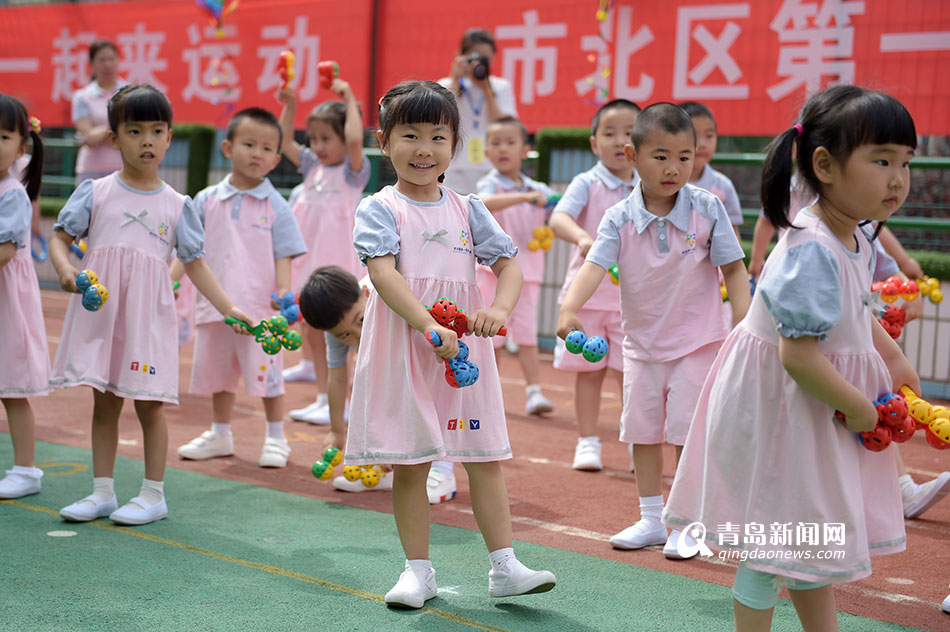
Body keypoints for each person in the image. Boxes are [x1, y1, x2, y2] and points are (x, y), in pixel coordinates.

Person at [663, 86, 920, 631]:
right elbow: (799, 356)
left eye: (904, 162)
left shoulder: (856, 235)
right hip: (785, 409)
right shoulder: (811, 249)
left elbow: (852, 309)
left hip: (808, 407)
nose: (897, 178)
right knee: (772, 544)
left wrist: (891, 355)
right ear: (824, 165)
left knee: (805, 539)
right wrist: (858, 407)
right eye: (881, 160)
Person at [347, 80, 555, 609]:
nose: (424, 149)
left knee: (483, 458)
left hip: (463, 354)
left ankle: (505, 566)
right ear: (383, 140)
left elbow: (509, 266)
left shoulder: (468, 208)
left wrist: (498, 310)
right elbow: (385, 275)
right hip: (406, 346)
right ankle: (419, 572)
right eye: (410, 135)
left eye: (438, 137)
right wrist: (426, 324)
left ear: (455, 144)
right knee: (413, 463)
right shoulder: (379, 207)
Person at [48, 84, 253, 526]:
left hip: (147, 321)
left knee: (149, 404)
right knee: (104, 401)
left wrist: (228, 307)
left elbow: (195, 265)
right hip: (103, 315)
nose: (146, 141)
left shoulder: (178, 205)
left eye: (156, 131)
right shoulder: (96, 191)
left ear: (169, 136)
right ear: (114, 138)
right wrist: (66, 271)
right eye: (134, 130)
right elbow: (59, 240)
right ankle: (102, 491)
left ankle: (153, 495)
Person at [557, 103, 750, 556]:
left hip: (698, 344)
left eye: (685, 157)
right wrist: (569, 309)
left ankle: (687, 522)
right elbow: (593, 266)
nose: (674, 167)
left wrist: (742, 323)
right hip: (641, 347)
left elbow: (735, 270)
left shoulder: (708, 207)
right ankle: (651, 518)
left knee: (684, 433)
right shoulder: (618, 217)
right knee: (642, 433)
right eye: (661, 155)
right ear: (633, 155)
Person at [175, 108, 307, 468]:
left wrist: (283, 294)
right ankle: (220, 433)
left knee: (268, 375)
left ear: (277, 159)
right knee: (220, 375)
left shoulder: (276, 204)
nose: (257, 153)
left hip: (259, 309)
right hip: (215, 305)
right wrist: (172, 279)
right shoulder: (205, 200)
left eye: (267, 148)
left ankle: (277, 437)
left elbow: (284, 254)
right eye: (249, 144)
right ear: (228, 147)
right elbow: (188, 251)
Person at [549, 99, 640, 472]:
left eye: (630, 133)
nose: (620, 141)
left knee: (631, 376)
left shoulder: (649, 186)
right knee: (589, 374)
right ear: (593, 143)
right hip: (585, 298)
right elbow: (559, 218)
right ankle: (588, 441)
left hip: (632, 301)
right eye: (609, 133)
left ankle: (638, 441)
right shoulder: (587, 182)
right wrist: (583, 238)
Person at [277, 74, 370, 425]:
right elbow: (285, 140)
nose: (317, 146)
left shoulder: (352, 172)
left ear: (344, 138)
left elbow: (356, 138)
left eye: (326, 138)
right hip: (309, 262)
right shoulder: (312, 168)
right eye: (313, 138)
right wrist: (290, 105)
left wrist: (348, 96)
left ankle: (353, 400)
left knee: (346, 333)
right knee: (314, 330)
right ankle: (323, 397)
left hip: (339, 266)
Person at [476, 116, 557, 415]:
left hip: (529, 274)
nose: (502, 149)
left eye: (510, 142)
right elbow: (484, 202)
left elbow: (558, 211)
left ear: (525, 150)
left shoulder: (539, 189)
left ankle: (534, 392)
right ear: (486, 152)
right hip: (491, 273)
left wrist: (551, 203)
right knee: (490, 335)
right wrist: (525, 198)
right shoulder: (491, 184)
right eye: (495, 143)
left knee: (527, 336)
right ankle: (489, 392)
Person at [298, 265, 395, 493]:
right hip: (388, 362)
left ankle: (440, 469)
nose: (358, 335)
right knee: (368, 387)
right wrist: (337, 431)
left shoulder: (389, 296)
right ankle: (385, 469)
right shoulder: (335, 328)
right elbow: (338, 378)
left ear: (366, 293)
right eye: (345, 335)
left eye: (360, 320)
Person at [0, 95, 47, 499]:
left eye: (2, 136)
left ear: (22, 146)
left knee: (11, 388)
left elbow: (5, 251)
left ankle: (26, 469)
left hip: (7, 306)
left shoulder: (12, 192)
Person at [438, 28, 518, 195]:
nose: (480, 63)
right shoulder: (446, 85)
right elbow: (440, 117)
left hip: (490, 167)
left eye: (486, 58)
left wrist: (486, 90)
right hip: (455, 167)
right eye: (476, 57)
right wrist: (455, 79)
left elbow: (504, 125)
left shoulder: (500, 86)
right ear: (461, 56)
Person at [679, 102, 743, 239]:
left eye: (709, 136)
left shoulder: (723, 186)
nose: (701, 143)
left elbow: (732, 234)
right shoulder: (662, 183)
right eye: (694, 135)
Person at [72, 40, 125, 183]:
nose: (107, 64)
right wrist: (114, 131)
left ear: (118, 62)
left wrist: (100, 131)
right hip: (90, 170)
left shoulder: (130, 93)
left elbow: (128, 133)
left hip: (124, 169)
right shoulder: (82, 96)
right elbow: (88, 136)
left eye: (111, 59)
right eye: (101, 60)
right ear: (92, 65)